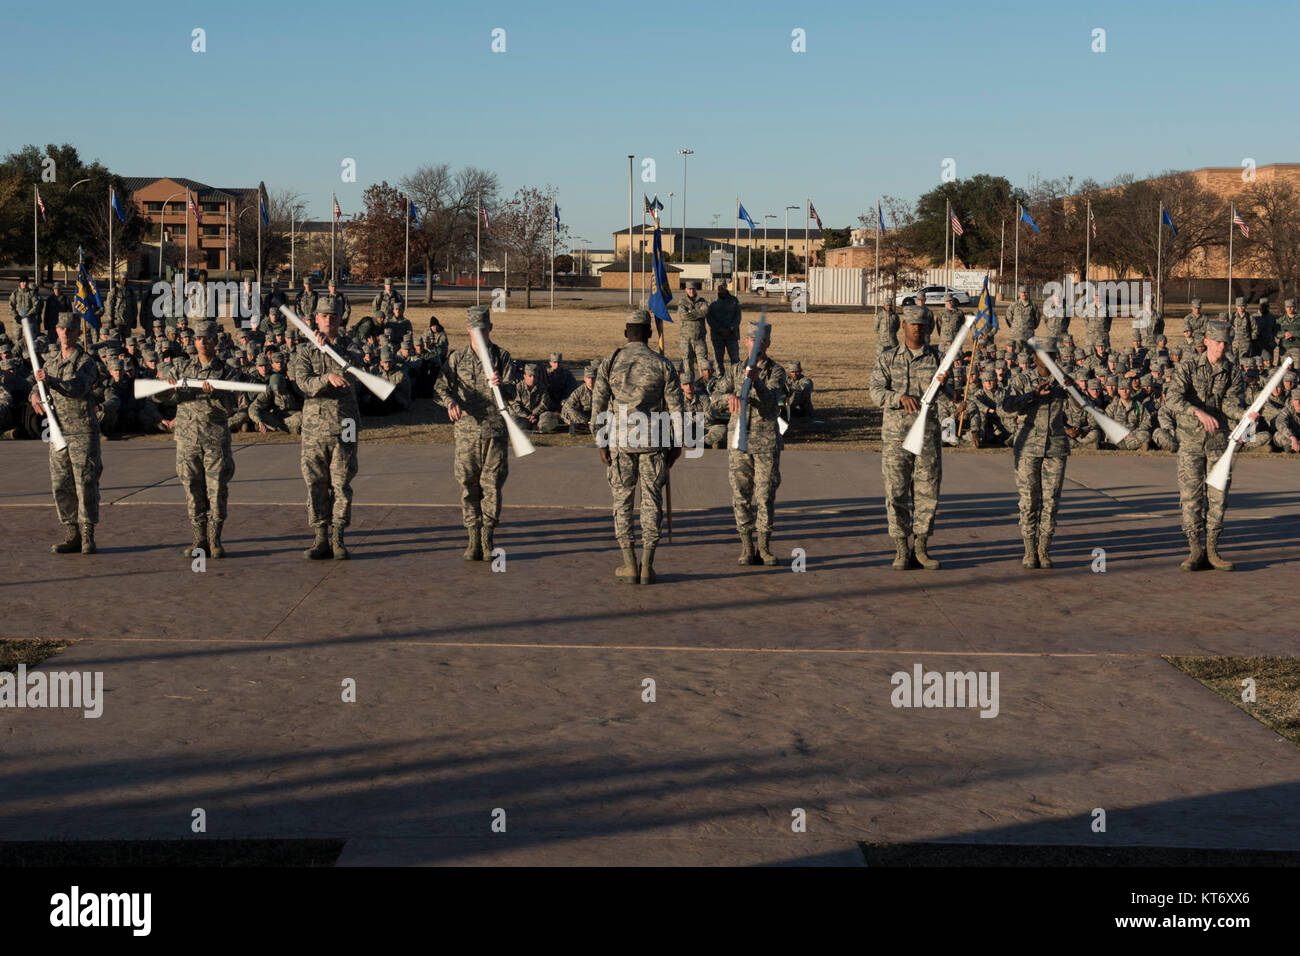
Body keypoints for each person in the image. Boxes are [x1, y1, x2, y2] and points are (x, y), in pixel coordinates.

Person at [590, 309, 684, 584]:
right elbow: (676, 409)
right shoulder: (662, 364)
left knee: (622, 501)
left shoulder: (611, 361)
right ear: (650, 334)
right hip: (653, 442)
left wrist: (601, 441)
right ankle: (647, 565)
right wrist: (677, 443)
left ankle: (629, 563)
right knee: (651, 501)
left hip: (620, 443)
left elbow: (597, 407)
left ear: (625, 332)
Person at [1163, 319, 1255, 571]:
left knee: (1217, 498)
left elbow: (1229, 404)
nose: (1221, 347)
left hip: (1218, 446)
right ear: (1206, 341)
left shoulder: (1233, 372)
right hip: (1191, 444)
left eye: (1225, 343)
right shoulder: (1188, 367)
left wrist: (1244, 414)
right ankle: (1195, 550)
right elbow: (1172, 398)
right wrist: (1197, 413)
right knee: (1191, 498)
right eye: (1216, 342)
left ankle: (1213, 550)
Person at [435, 306, 518, 561]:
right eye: (474, 330)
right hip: (467, 433)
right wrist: (450, 402)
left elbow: (515, 391)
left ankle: (487, 538)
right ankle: (472, 539)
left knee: (491, 487)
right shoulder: (457, 358)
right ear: (468, 330)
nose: (479, 334)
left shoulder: (502, 357)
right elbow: (440, 386)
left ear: (490, 329)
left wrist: (501, 386)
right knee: (468, 486)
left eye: (483, 329)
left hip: (494, 433)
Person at [868, 306, 947, 570]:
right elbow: (875, 392)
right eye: (913, 324)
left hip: (927, 438)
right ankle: (901, 549)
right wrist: (898, 397)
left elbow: (954, 397)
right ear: (903, 325)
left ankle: (921, 548)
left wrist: (947, 384)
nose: (917, 328)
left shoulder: (938, 359)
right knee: (896, 492)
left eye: (922, 324)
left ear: (928, 327)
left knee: (927, 494)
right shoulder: (888, 358)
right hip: (896, 438)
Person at [155, 320, 239, 558]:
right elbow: (159, 398)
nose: (203, 343)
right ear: (194, 341)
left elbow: (232, 408)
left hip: (215, 441)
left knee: (216, 490)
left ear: (215, 341)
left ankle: (215, 540)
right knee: (192, 490)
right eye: (199, 339)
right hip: (187, 440)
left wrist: (219, 392)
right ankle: (199, 540)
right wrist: (167, 388)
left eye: (208, 338)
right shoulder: (182, 368)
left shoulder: (226, 371)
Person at [713, 319, 789, 566]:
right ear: (745, 341)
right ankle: (746, 546)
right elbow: (713, 400)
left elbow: (771, 402)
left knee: (765, 495)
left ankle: (764, 547)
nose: (756, 345)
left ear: (767, 343)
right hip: (739, 442)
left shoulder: (775, 372)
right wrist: (729, 397)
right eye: (751, 340)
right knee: (740, 495)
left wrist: (756, 381)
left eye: (761, 341)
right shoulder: (735, 370)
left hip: (765, 442)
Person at [290, 294, 360, 560]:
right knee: (316, 483)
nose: (329, 320)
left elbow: (358, 375)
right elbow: (303, 384)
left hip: (346, 424)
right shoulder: (304, 351)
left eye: (334, 316)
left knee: (341, 483)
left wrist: (332, 355)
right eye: (324, 316)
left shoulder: (351, 348)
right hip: (314, 427)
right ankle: (320, 537)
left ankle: (339, 537)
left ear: (340, 319)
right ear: (315, 319)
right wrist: (326, 377)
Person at [999, 336, 1075, 569]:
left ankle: (1044, 550)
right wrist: (1032, 395)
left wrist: (1073, 391)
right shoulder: (1022, 379)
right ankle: (1029, 550)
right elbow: (1007, 406)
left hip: (1055, 448)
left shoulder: (1063, 382)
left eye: (1052, 355)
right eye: (1043, 355)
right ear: (1034, 357)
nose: (1047, 359)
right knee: (1029, 501)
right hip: (1028, 448)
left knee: (1051, 502)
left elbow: (1081, 413)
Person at [30, 312, 102, 554]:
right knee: (61, 484)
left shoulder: (85, 362)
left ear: (78, 333)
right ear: (57, 331)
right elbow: (37, 384)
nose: (65, 333)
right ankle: (71, 533)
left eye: (70, 330)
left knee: (85, 483)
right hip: (57, 431)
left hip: (82, 431)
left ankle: (87, 535)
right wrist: (34, 394)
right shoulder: (51, 361)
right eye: (61, 329)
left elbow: (78, 387)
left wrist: (51, 381)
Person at [677, 280, 710, 383]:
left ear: (696, 289)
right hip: (686, 340)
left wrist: (691, 312)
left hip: (699, 339)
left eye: (693, 289)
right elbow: (684, 315)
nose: (691, 291)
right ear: (686, 290)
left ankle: (704, 387)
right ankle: (690, 387)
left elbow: (705, 312)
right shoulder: (682, 302)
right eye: (689, 289)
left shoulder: (702, 301)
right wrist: (698, 312)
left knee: (704, 365)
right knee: (687, 364)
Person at [706, 280, 742, 370]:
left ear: (726, 287)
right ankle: (720, 380)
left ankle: (736, 378)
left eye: (722, 286)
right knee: (718, 361)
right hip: (717, 336)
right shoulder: (711, 301)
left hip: (732, 335)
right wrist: (719, 330)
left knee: (735, 360)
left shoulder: (734, 300)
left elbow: (737, 317)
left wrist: (730, 329)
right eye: (718, 286)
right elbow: (709, 318)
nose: (720, 288)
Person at [1005, 285, 1039, 355]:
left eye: (1025, 292)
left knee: (1028, 355)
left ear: (1028, 293)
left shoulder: (1033, 305)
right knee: (1015, 354)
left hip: (1028, 335)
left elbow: (1037, 318)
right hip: (1016, 335)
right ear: (1019, 294)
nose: (1023, 294)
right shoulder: (1014, 305)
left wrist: (1032, 327)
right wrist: (1015, 326)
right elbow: (1008, 317)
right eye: (1022, 292)